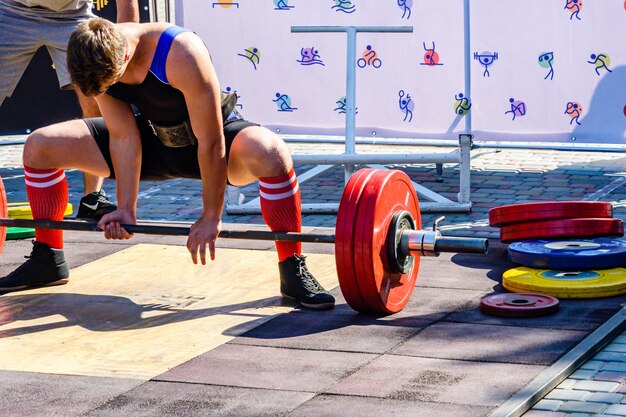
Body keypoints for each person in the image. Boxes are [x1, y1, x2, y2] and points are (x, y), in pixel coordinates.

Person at [0, 19, 336, 310]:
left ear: (126, 56)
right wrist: (126, 209)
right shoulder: (95, 56)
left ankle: (292, 265)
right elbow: (123, 137)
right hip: (151, 145)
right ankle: (48, 257)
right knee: (40, 146)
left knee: (271, 153)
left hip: (208, 145)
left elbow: (212, 141)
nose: (104, 92)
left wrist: (210, 215)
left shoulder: (180, 52)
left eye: (108, 84)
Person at [0, 0, 139, 219]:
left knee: (99, 91)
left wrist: (128, 42)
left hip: (73, 15)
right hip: (11, 10)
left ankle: (92, 197)